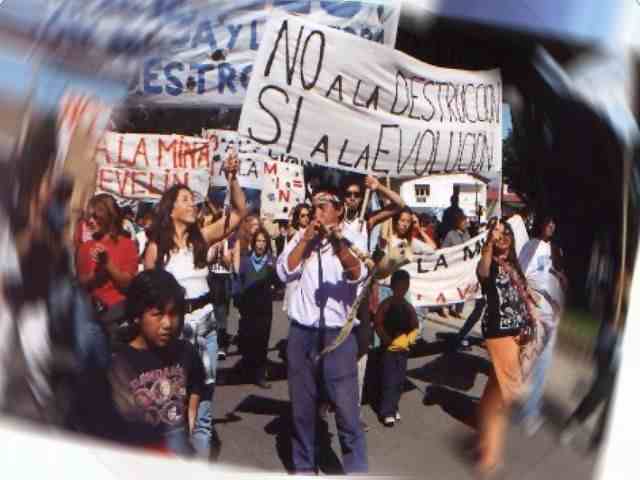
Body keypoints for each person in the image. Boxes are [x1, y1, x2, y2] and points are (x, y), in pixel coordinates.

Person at [143, 152, 246, 460]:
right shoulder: (155, 248)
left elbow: (240, 212)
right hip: (172, 331)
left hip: (205, 327)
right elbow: (145, 298)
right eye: (186, 200)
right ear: (171, 209)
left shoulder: (201, 237)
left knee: (202, 411)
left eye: (193, 200)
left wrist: (231, 177)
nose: (193, 204)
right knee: (172, 407)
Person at [277, 188, 368, 474]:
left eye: (323, 206)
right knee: (303, 409)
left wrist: (336, 243)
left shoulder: (353, 236)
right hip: (302, 333)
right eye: (313, 206)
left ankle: (355, 471)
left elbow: (359, 274)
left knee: (346, 412)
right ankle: (304, 467)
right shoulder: (302, 237)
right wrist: (307, 239)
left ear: (338, 210)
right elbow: (283, 271)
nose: (316, 212)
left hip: (337, 336)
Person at [107, 269, 206, 456]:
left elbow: (196, 384)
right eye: (158, 314)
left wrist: (191, 416)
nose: (168, 323)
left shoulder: (186, 352)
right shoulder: (118, 363)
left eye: (173, 313)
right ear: (137, 315)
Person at [340, 174, 407, 431]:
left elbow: (399, 205)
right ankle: (328, 403)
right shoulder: (335, 221)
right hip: (339, 300)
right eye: (349, 194)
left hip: (362, 298)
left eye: (358, 194)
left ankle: (353, 413)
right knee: (335, 353)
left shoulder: (366, 222)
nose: (354, 198)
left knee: (361, 355)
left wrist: (378, 187)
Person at [475, 218, 537, 476]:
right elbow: (482, 271)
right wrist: (489, 239)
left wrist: (530, 318)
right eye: (497, 235)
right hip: (498, 332)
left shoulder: (513, 265)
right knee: (510, 392)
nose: (502, 239)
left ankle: (483, 419)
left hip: (518, 331)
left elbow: (522, 295)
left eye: (505, 234)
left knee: (496, 390)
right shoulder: (490, 265)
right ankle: (489, 457)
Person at [514, 216, 568, 436]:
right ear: (539, 223)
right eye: (548, 221)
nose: (552, 226)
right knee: (526, 363)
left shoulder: (555, 249)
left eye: (555, 223)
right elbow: (520, 278)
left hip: (553, 314)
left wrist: (561, 281)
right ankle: (511, 402)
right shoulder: (529, 246)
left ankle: (530, 412)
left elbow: (560, 278)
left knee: (543, 366)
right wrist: (528, 305)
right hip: (535, 314)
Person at [76, 194, 138, 328]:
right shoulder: (85, 247)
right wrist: (96, 276)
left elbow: (128, 285)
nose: (90, 221)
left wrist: (107, 263)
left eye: (95, 217)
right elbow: (82, 283)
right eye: (89, 217)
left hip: (119, 316)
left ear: (109, 216)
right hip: (90, 317)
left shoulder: (127, 245)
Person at [374, 270, 419, 427]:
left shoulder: (408, 307)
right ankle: (386, 411)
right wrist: (387, 340)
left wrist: (409, 340)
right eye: (399, 286)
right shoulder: (386, 304)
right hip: (388, 349)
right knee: (388, 379)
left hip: (403, 350)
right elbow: (378, 323)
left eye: (405, 286)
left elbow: (415, 325)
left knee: (399, 380)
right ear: (392, 286)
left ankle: (394, 406)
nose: (402, 289)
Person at [236, 228, 278, 388]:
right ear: (253, 243)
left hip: (265, 309)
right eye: (258, 241)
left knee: (262, 341)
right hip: (247, 308)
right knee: (248, 341)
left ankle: (260, 375)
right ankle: (247, 369)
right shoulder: (245, 261)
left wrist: (275, 288)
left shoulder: (271, 262)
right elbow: (238, 282)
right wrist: (238, 301)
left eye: (263, 241)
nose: (260, 245)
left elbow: (279, 282)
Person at [442, 211, 472, 318]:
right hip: (453, 266)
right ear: (458, 223)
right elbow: (443, 250)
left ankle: (458, 310)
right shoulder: (450, 234)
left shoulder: (467, 234)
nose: (465, 224)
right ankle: (446, 308)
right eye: (463, 221)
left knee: (463, 288)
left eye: (466, 221)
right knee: (450, 288)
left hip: (463, 267)